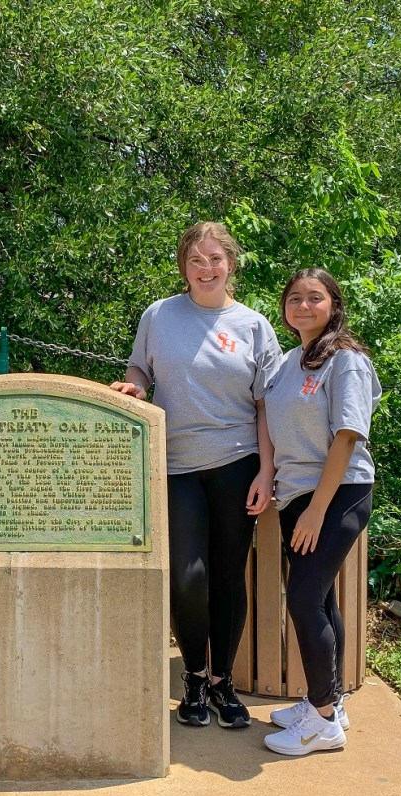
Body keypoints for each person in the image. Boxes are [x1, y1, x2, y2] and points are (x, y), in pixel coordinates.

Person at [112, 221, 281, 729]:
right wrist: (135, 388)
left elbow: (267, 405)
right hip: (176, 465)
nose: (206, 268)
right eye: (195, 260)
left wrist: (267, 471)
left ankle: (222, 682)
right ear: (183, 267)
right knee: (188, 578)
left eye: (215, 259)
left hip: (237, 462)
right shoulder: (159, 315)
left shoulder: (253, 325)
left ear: (231, 264)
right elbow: (140, 369)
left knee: (228, 578)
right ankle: (193, 676)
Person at [262, 267, 381, 756]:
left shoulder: (345, 360)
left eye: (315, 297)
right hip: (296, 494)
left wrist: (317, 510)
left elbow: (347, 436)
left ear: (334, 305)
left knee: (304, 599)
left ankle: (323, 721)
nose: (303, 306)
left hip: (337, 493)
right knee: (322, 598)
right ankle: (330, 702)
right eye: (294, 298)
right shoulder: (289, 361)